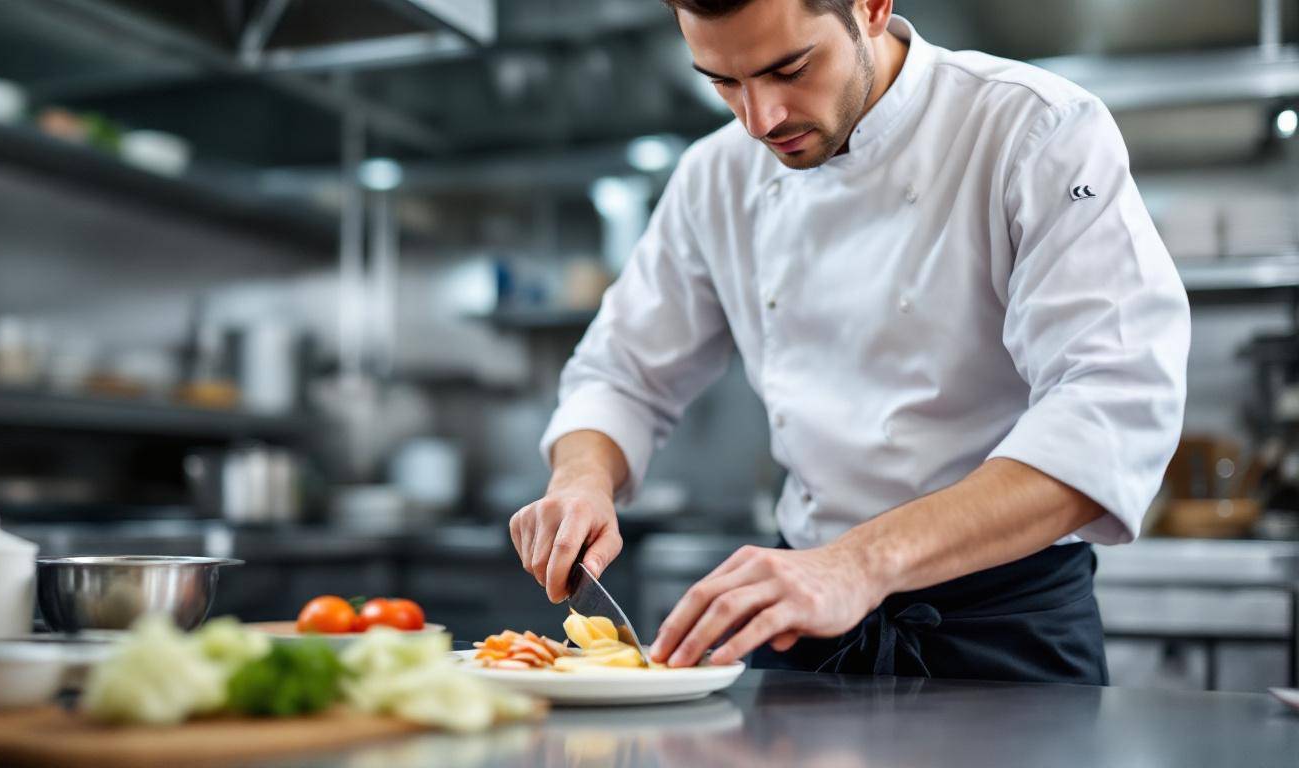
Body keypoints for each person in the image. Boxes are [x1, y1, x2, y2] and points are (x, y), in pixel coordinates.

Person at [508, 0, 1190, 684]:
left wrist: (860, 562)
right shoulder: (714, 177)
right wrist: (581, 479)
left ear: (871, 7)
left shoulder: (1032, 127)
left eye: (790, 68)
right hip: (803, 630)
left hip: (1004, 630)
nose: (760, 119)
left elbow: (1111, 406)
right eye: (723, 82)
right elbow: (621, 373)